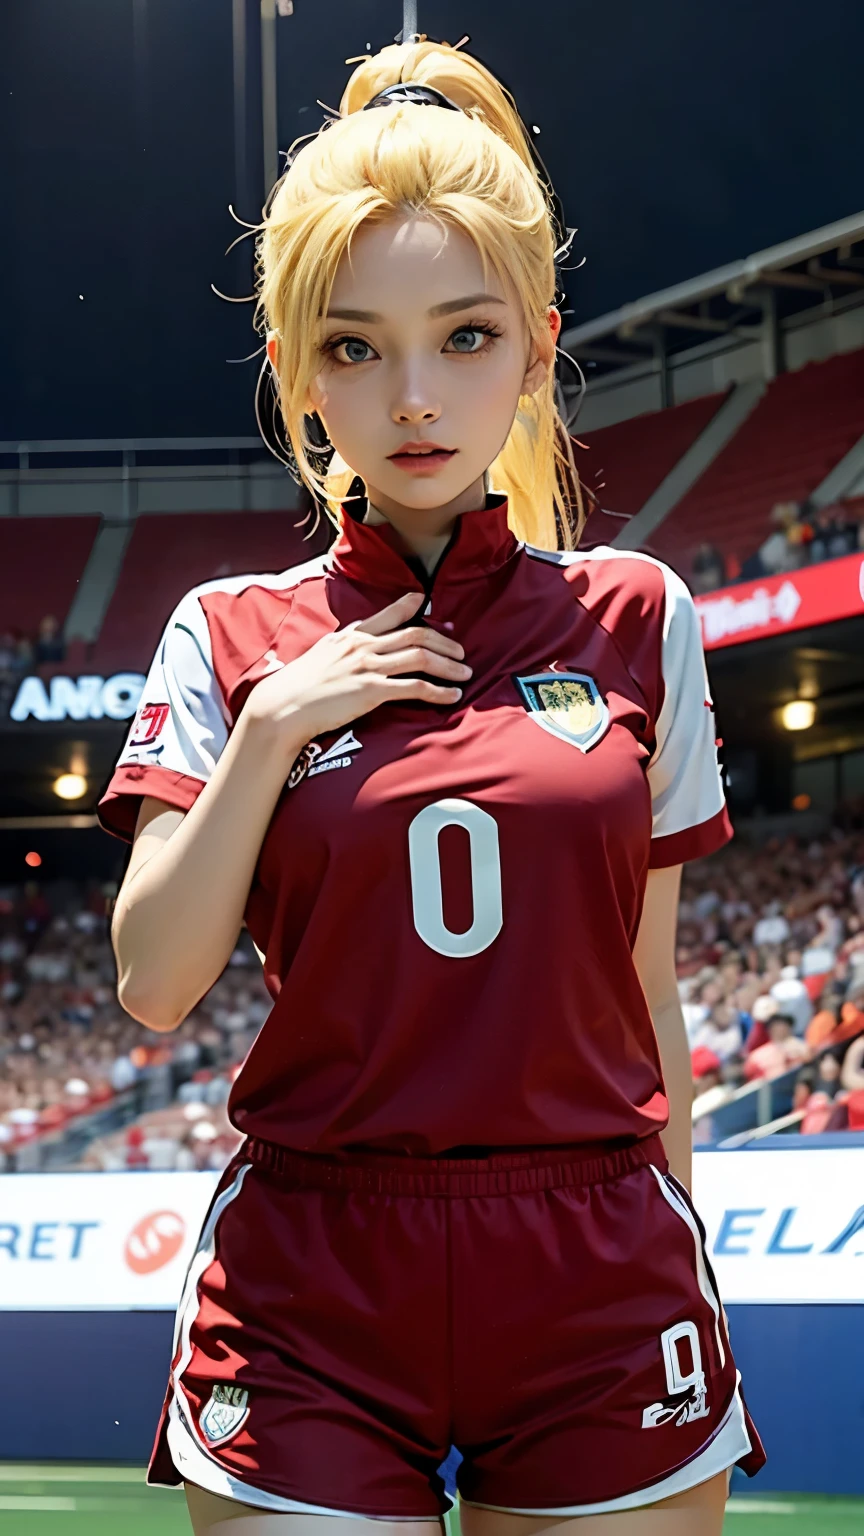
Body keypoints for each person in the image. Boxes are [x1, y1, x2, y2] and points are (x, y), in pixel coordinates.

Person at [98, 39, 763, 1536]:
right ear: (292, 365)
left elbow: (646, 991)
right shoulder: (227, 634)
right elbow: (151, 980)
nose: (413, 395)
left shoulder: (641, 614)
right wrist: (273, 735)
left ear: (536, 344)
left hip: (597, 1258)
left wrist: (684, 1240)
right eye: (354, 346)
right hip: (314, 1272)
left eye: (464, 337)